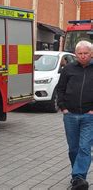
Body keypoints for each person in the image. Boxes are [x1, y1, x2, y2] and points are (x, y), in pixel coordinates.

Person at [57, 40, 93, 190]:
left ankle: (78, 177)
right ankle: (77, 176)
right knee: (73, 148)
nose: (83, 56)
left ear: (91, 54)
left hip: (89, 116)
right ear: (75, 54)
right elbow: (60, 89)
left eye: (86, 53)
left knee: (84, 147)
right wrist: (63, 108)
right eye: (80, 53)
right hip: (70, 115)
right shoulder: (68, 69)